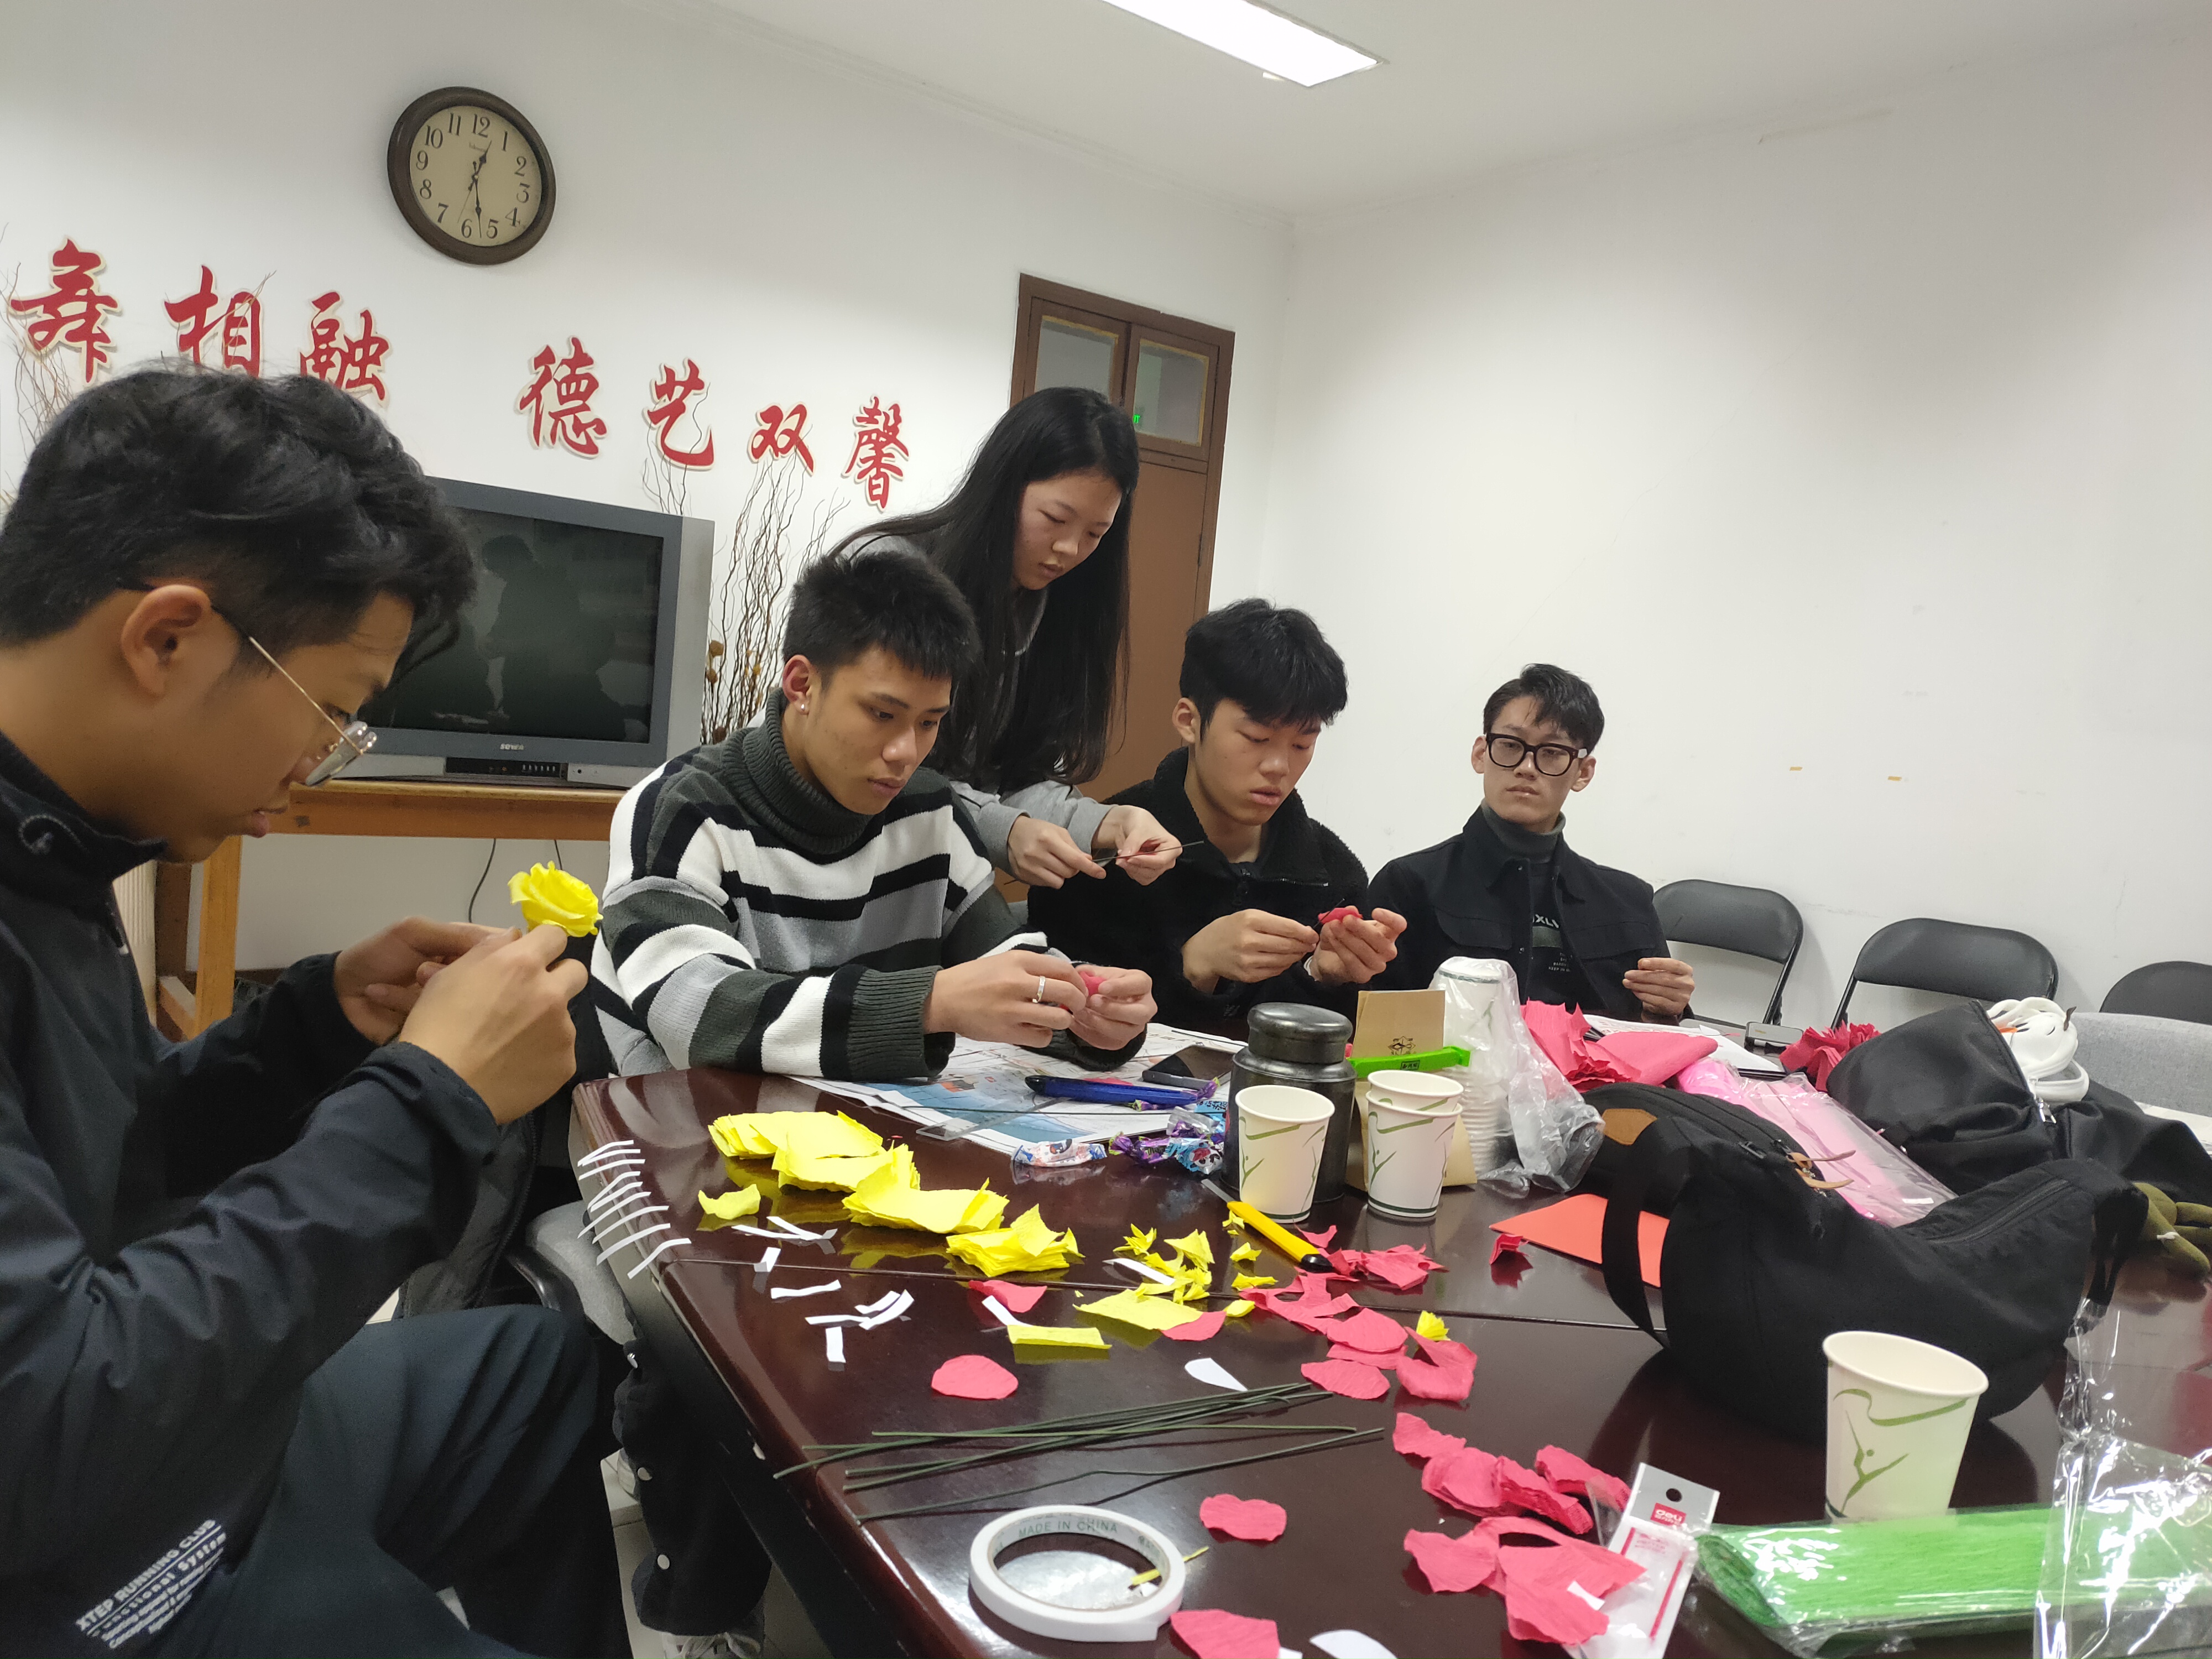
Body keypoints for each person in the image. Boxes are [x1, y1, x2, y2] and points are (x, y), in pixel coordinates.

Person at [0, 368, 623, 1657]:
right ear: (167, 639)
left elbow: (109, 1152)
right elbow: (44, 1431)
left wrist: (316, 1029)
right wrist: (427, 1103)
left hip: (173, 1450)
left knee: (542, 1368)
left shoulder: (53, 840)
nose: (323, 762)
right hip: (76, 1555)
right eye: (335, 710)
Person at [587, 544, 1157, 1655]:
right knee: (727, 1364)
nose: (905, 753)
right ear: (800, 683)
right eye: (882, 715)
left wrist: (1090, 1011)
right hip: (692, 1155)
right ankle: (708, 1606)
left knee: (990, 1316)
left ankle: (909, 1573)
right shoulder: (682, 809)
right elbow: (698, 1017)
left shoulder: (927, 815)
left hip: (863, 1159)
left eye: (930, 724)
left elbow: (1006, 970)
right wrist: (935, 998)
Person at [835, 385, 1179, 891]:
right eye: (1055, 520)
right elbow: (874, 760)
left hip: (929, 887)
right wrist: (1001, 828)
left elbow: (1018, 777)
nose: (1070, 549)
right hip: (831, 859)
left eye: (1095, 534)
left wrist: (1112, 823)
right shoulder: (890, 574)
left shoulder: (1058, 610)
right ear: (1003, 485)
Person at [1029, 599, 1404, 1026]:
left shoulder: (1333, 873)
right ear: (1189, 721)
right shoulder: (1103, 858)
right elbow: (1060, 1028)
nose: (1279, 766)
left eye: (1303, 744)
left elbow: (1337, 1044)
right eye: (1257, 738)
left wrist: (1322, 976)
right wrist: (1194, 967)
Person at [1369, 663, 1695, 1020]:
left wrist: (1668, 1008)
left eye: (1552, 752)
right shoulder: (1410, 886)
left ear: (1583, 772)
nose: (1526, 767)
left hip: (1598, 1059)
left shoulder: (1629, 902)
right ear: (1481, 754)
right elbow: (1375, 1027)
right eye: (1510, 745)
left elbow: (1658, 1030)